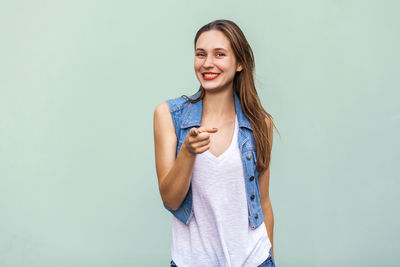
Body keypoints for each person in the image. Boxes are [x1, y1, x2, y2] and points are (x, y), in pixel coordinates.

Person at [153, 19, 278, 267]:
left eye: (219, 54)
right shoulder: (169, 116)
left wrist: (271, 258)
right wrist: (187, 153)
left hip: (254, 260)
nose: (207, 63)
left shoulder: (259, 123)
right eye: (201, 54)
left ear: (240, 63)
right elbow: (170, 200)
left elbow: (264, 202)